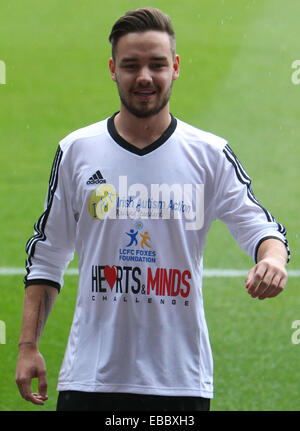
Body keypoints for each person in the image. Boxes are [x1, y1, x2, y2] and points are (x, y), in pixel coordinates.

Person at [15, 7, 289, 412]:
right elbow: (48, 255)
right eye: (131, 65)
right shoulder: (77, 151)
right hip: (90, 380)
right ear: (113, 69)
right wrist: (27, 346)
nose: (145, 76)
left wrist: (273, 260)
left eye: (157, 64)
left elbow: (262, 228)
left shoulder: (209, 155)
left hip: (179, 383)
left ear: (175, 67)